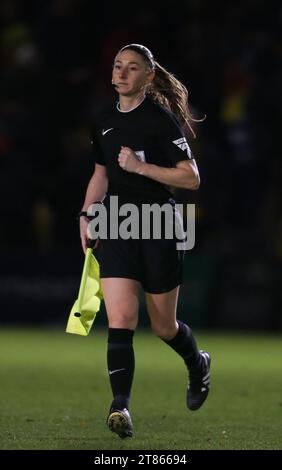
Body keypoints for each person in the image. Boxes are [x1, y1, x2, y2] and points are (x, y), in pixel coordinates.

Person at [79, 44, 211, 439]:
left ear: (148, 77)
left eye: (132, 68)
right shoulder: (102, 119)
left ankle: (197, 364)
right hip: (117, 224)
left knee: (163, 326)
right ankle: (120, 407)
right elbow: (101, 173)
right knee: (120, 318)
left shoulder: (160, 121)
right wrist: (87, 214)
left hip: (158, 226)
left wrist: (141, 168)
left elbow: (191, 178)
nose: (121, 73)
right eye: (118, 66)